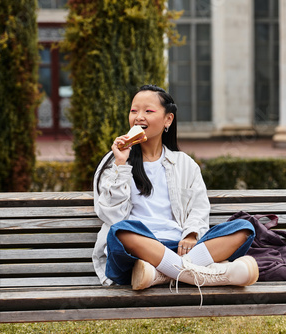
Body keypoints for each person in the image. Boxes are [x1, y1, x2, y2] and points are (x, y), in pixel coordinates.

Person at [91, 84, 258, 292]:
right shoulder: (114, 161)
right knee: (119, 231)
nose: (138, 117)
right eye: (134, 111)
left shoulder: (184, 163)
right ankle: (209, 274)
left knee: (243, 228)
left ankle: (159, 274)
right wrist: (121, 165)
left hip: (180, 248)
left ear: (168, 119)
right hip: (137, 253)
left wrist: (190, 234)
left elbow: (199, 208)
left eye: (148, 111)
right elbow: (109, 214)